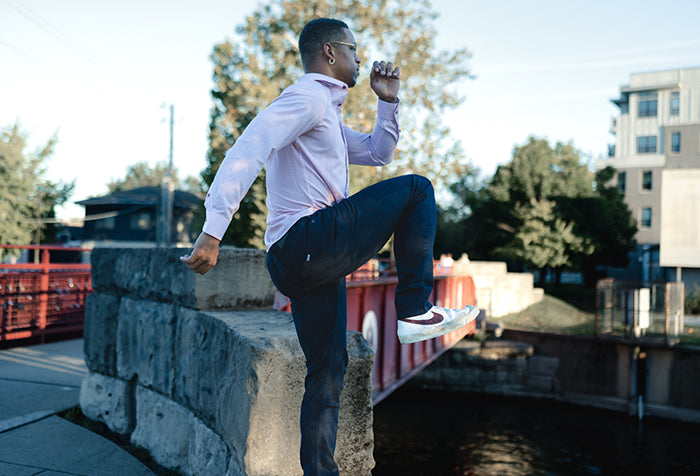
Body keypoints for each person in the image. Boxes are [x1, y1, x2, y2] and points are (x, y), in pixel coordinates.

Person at [181, 18, 479, 476]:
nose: (362, 61)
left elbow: (379, 153)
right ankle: (416, 308)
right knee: (418, 190)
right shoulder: (307, 98)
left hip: (306, 261)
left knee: (328, 369)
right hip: (306, 241)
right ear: (330, 53)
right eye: (356, 52)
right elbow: (250, 146)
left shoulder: (330, 117)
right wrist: (214, 227)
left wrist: (389, 102)